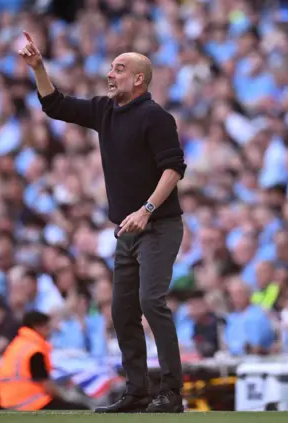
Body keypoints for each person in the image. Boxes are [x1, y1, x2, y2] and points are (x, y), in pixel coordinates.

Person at [19, 32, 186, 413]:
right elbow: (55, 104)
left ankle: (171, 392)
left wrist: (146, 209)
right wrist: (39, 68)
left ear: (139, 79)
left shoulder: (156, 117)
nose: (110, 73)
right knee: (122, 310)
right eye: (111, 67)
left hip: (158, 225)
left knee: (150, 301)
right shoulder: (105, 111)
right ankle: (137, 391)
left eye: (119, 69)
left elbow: (174, 168)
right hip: (127, 230)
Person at [0, 311, 88, 411]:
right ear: (37, 327)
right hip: (29, 403)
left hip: (9, 403)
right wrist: (66, 397)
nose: (49, 332)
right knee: (81, 409)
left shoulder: (17, 345)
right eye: (47, 327)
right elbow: (47, 385)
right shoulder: (34, 351)